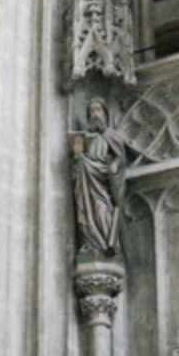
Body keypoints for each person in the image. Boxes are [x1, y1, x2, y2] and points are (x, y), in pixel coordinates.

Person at [69, 97, 127, 260]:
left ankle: (107, 243)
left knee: (102, 209)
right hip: (87, 181)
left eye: (98, 110)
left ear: (105, 113)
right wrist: (77, 155)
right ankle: (91, 242)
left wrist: (115, 165)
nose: (95, 114)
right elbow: (77, 163)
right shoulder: (88, 137)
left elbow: (120, 158)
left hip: (103, 177)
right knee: (87, 211)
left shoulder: (112, 136)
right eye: (92, 111)